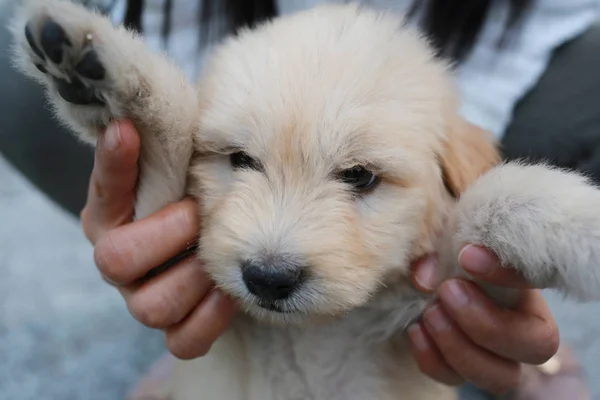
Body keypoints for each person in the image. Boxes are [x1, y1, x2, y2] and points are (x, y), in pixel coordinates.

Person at [0, 0, 598, 399]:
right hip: (231, 341)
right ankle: (123, 95)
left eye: (359, 177)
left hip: (394, 324)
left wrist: (543, 221)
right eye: (241, 160)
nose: (272, 254)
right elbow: (190, 140)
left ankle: (507, 333)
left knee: (486, 225)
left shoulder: (446, 170)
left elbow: (469, 196)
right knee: (172, 159)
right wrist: (144, 109)